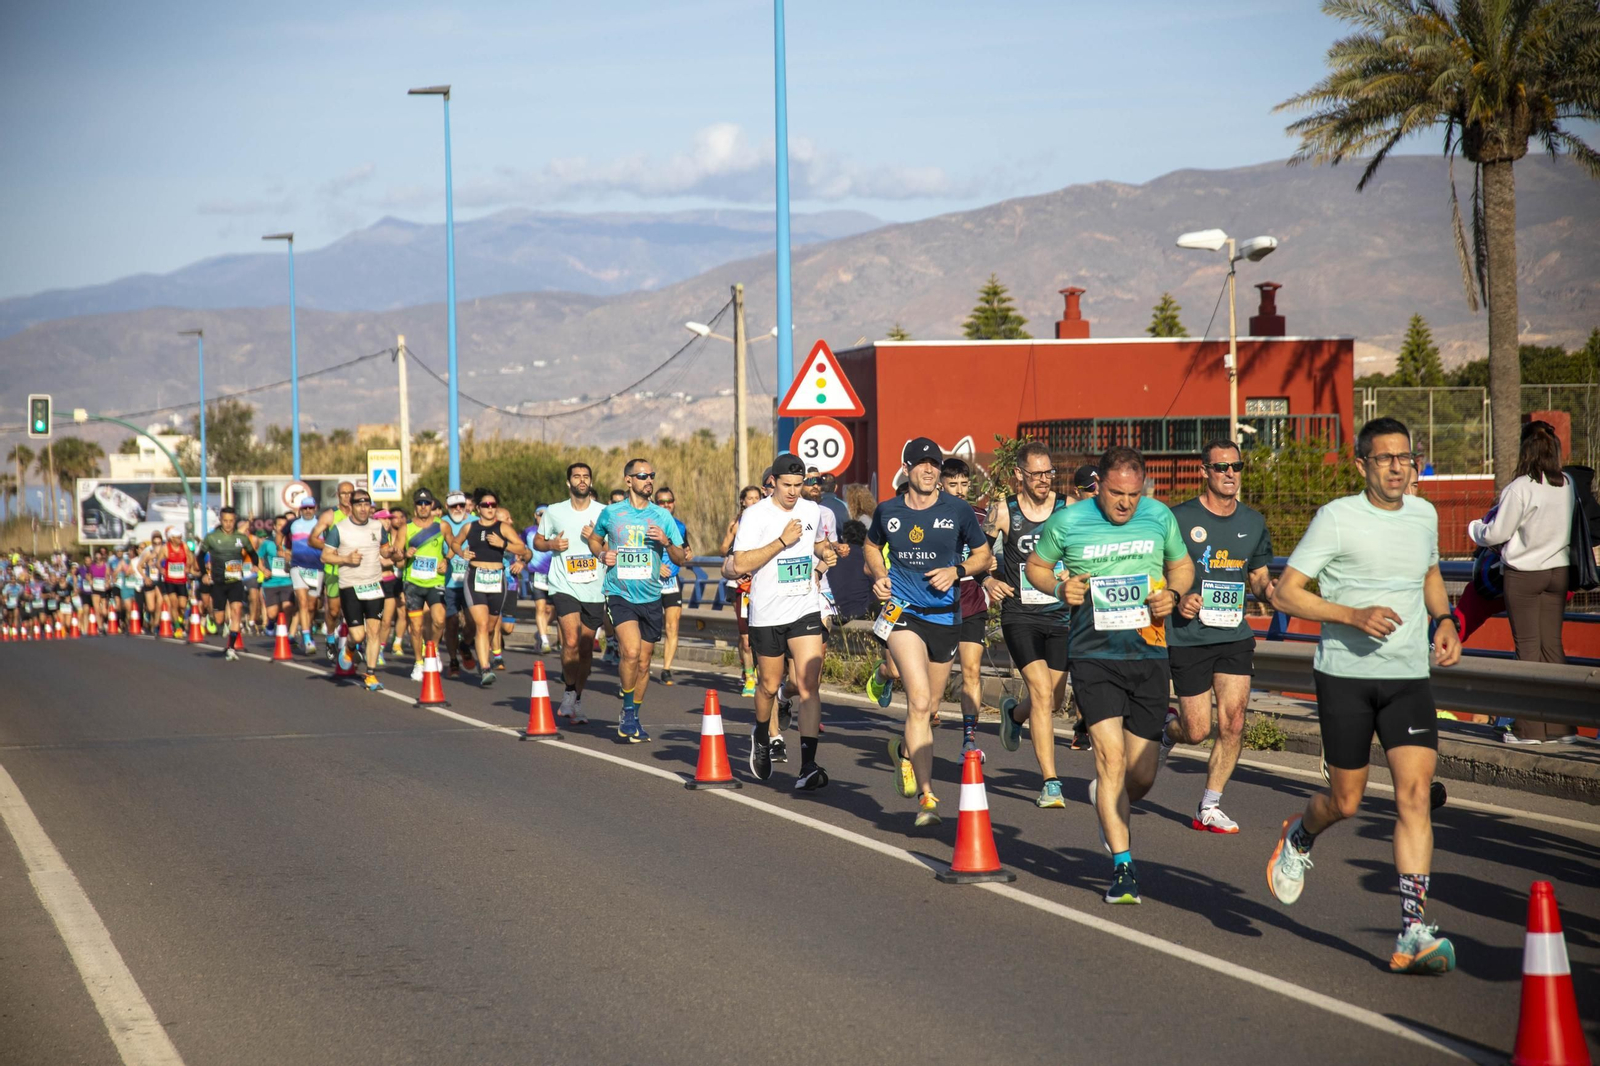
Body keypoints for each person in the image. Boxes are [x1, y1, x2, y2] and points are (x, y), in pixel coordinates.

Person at [1267, 417, 1462, 974]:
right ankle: (1301, 836)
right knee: (1346, 801)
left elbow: (1427, 572)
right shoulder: (1337, 518)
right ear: (1362, 465)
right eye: (1385, 458)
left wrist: (1444, 618)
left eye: (1406, 457)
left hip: (1407, 677)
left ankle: (1412, 931)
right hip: (1345, 676)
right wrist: (1352, 615)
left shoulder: (1423, 514)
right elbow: (1286, 594)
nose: (1399, 467)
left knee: (1415, 795)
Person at [1027, 445, 1193, 905]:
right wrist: (1060, 586)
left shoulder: (1159, 517)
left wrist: (1174, 594)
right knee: (1111, 758)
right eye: (1117, 493)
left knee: (1139, 777)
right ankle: (1123, 868)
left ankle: (1109, 796)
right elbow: (1036, 567)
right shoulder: (1069, 521)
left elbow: (1181, 565)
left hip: (1149, 655)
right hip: (1094, 656)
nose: (1125, 503)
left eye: (1134, 494)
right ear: (1099, 484)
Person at [865, 438, 993, 827]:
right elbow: (872, 546)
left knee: (932, 708)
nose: (929, 470)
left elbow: (983, 555)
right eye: (921, 464)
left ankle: (903, 751)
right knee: (918, 702)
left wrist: (957, 571)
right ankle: (927, 796)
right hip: (903, 612)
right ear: (906, 469)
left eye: (934, 465)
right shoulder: (888, 511)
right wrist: (880, 575)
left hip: (945, 617)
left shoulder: (958, 510)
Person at [1158, 439, 1276, 833]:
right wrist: (1178, 598)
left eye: (1237, 467)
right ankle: (1167, 731)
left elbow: (1258, 577)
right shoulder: (1176, 518)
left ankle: (1209, 805)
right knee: (1196, 730)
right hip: (1189, 635)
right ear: (1204, 471)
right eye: (1221, 467)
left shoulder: (1254, 522)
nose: (1230, 474)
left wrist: (1275, 594)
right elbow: (1155, 572)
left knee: (1234, 721)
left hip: (1233, 634)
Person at [731, 453, 838, 789]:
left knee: (809, 686)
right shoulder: (755, 515)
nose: (793, 492)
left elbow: (817, 543)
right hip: (767, 612)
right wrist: (781, 542)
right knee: (768, 685)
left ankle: (808, 766)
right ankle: (762, 735)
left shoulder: (811, 510)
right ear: (773, 483)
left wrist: (826, 552)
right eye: (787, 485)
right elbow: (739, 563)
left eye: (799, 485)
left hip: (804, 607)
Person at [1469, 424, 1575, 744]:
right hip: (1558, 572)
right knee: (1552, 649)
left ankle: (1528, 730)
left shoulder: (1519, 488)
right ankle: (1561, 729)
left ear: (1525, 450)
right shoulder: (1566, 484)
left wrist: (1475, 529)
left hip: (1524, 576)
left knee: (1527, 650)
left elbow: (1497, 533)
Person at [991, 441, 1074, 805]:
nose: (1044, 479)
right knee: (1041, 692)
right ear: (1019, 476)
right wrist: (987, 581)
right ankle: (1051, 782)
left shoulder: (1067, 507)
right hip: (1020, 614)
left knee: (1053, 699)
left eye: (1049, 472)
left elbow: (1084, 550)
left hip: (1059, 614)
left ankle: (1014, 714)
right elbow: (978, 552)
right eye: (1036, 473)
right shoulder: (1005, 511)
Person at [586, 458, 690, 742]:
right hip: (620, 593)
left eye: (651, 475)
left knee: (644, 663)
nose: (649, 480)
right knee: (630, 653)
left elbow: (682, 557)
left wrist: (667, 544)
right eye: (642, 475)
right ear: (628, 480)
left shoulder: (662, 517)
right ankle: (628, 711)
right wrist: (601, 554)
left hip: (651, 596)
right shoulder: (612, 513)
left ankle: (633, 712)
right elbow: (594, 540)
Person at [538, 463, 606, 724]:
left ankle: (577, 698)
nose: (581, 480)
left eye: (586, 476)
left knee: (587, 650)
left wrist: (595, 540)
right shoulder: (554, 511)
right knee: (571, 642)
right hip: (563, 584)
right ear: (568, 482)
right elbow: (537, 541)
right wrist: (551, 544)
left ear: (590, 481)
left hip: (594, 587)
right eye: (576, 476)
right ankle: (567, 693)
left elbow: (613, 546)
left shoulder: (603, 512)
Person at [446, 488, 531, 687]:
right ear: (478, 508)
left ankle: (468, 647)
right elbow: (455, 543)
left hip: (496, 578)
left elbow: (522, 549)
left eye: (493, 505)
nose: (490, 508)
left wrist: (503, 544)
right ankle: (485, 668)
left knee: (492, 627)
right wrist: (461, 553)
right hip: (475, 578)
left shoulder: (503, 528)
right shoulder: (470, 527)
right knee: (482, 625)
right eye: (486, 505)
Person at [939, 458, 990, 757]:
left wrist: (990, 572)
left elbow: (991, 555)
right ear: (941, 484)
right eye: (952, 484)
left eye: (963, 484)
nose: (958, 490)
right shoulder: (928, 516)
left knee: (971, 670)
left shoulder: (982, 517)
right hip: (937, 607)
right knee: (936, 679)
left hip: (971, 603)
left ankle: (969, 738)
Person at [320, 489, 389, 692]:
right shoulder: (339, 529)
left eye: (366, 504)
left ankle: (371, 674)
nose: (363, 508)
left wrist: (392, 552)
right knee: (358, 635)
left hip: (375, 584)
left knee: (374, 631)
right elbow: (325, 556)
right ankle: (349, 647)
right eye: (359, 504)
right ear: (351, 506)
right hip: (350, 586)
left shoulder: (378, 526)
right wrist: (345, 559)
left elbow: (384, 549)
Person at [399, 489, 448, 683]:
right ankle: (419, 662)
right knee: (416, 627)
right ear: (415, 506)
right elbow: (397, 556)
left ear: (432, 506)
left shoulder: (442, 526)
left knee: (439, 620)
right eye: (419, 503)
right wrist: (404, 555)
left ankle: (433, 650)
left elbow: (453, 544)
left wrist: (447, 560)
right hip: (413, 583)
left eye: (426, 503)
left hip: (435, 581)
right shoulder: (406, 528)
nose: (423, 507)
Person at [720, 486, 763, 697]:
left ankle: (762, 672)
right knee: (745, 635)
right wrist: (735, 560)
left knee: (760, 634)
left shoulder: (768, 522)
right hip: (741, 587)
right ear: (742, 502)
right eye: (750, 499)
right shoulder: (737, 524)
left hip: (763, 585)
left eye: (757, 498)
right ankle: (749, 676)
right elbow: (723, 549)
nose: (754, 502)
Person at [199, 506, 258, 661]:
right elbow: (200, 556)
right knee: (219, 619)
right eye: (225, 521)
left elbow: (252, 553)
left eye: (231, 521)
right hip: (218, 582)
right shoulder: (211, 537)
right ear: (220, 520)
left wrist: (255, 564)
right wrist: (204, 574)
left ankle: (231, 647)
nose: (228, 524)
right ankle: (213, 619)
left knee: (237, 610)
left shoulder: (241, 537)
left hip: (235, 581)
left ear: (235, 521)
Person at [309, 481, 355, 661]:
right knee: (334, 611)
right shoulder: (330, 515)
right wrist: (329, 547)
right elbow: (312, 539)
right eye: (343, 493)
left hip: (355, 570)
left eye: (350, 493)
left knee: (354, 610)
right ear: (338, 495)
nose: (347, 497)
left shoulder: (360, 514)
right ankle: (330, 638)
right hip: (334, 569)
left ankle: (354, 645)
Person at [653, 484, 689, 685]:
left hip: (672, 581)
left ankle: (666, 668)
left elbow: (684, 549)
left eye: (670, 501)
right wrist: (656, 566)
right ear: (655, 504)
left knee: (672, 626)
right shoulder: (647, 524)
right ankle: (641, 662)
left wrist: (687, 554)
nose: (666, 505)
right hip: (649, 580)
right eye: (662, 502)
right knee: (648, 627)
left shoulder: (680, 526)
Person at [440, 491, 476, 677]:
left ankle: (465, 644)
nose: (459, 509)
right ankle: (453, 659)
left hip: (472, 581)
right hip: (450, 583)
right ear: (447, 507)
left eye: (461, 505)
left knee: (474, 622)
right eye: (454, 506)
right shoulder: (442, 524)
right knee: (452, 622)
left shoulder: (476, 521)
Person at [828, 520, 873, 620]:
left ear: (844, 538)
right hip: (862, 612)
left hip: (836, 612)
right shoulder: (867, 558)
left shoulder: (832, 557)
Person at [257, 518, 296, 630]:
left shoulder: (292, 543)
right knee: (272, 613)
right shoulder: (267, 543)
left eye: (284, 525)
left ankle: (285, 634)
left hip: (287, 581)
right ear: (274, 527)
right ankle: (272, 620)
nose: (282, 528)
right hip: (271, 582)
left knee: (287, 607)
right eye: (279, 525)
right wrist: (263, 570)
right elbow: (257, 558)